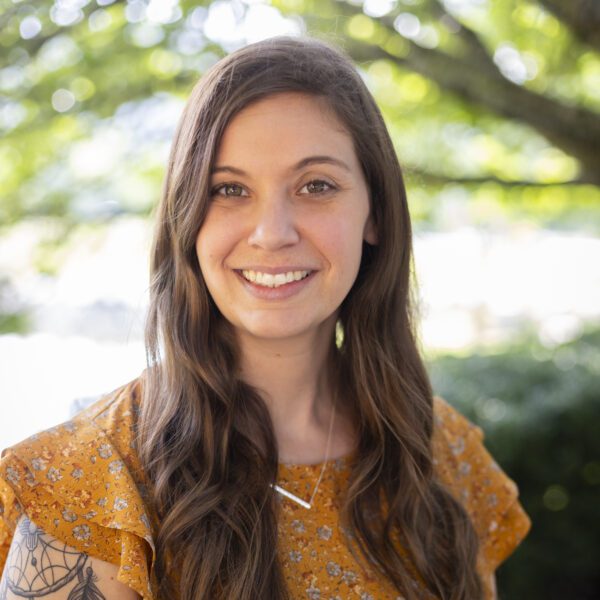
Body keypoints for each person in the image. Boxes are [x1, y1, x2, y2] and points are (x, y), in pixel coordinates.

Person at [0, 36, 530, 600]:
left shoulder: (442, 452)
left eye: (316, 186)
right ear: (188, 220)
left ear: (374, 213)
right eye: (229, 189)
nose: (272, 232)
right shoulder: (88, 482)